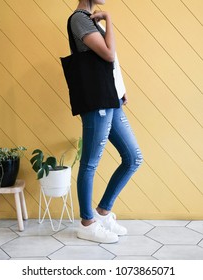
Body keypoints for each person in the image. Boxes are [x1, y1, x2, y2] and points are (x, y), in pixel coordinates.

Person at [69, 0, 143, 243]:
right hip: (97, 102)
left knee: (133, 157)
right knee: (90, 163)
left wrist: (120, 89)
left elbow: (109, 63)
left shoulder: (90, 21)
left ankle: (102, 212)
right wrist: (109, 19)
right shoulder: (79, 19)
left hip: (111, 99)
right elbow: (108, 53)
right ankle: (87, 224)